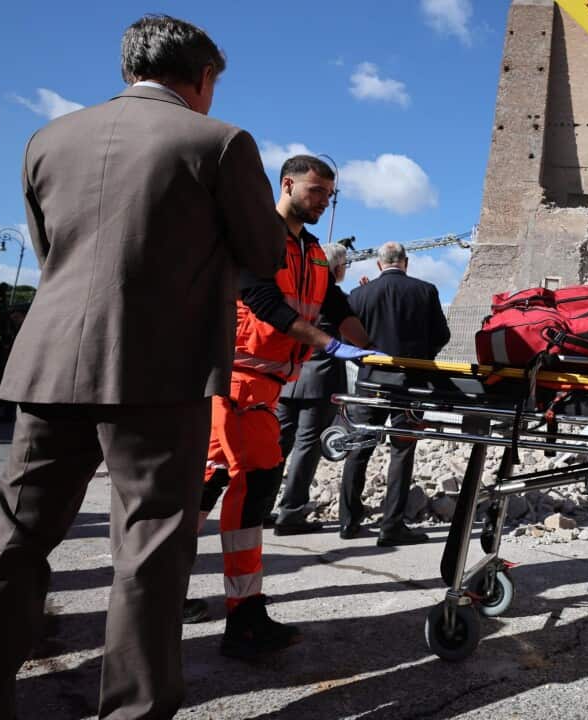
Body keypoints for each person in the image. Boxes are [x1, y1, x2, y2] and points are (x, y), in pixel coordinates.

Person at [0, 15, 286, 720]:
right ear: (204, 77)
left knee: (14, 536)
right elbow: (265, 250)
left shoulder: (48, 138)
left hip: (49, 364)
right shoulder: (219, 142)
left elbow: (49, 255)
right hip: (158, 372)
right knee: (151, 547)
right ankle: (134, 711)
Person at [192, 155, 372, 656]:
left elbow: (336, 307)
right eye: (316, 191)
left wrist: (375, 353)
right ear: (287, 184)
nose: (323, 202)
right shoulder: (255, 237)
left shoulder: (313, 252)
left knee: (207, 486)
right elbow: (267, 305)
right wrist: (330, 345)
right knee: (257, 483)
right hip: (235, 384)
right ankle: (243, 617)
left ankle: (161, 587)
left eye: (329, 194)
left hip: (263, 390)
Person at [339, 242, 450, 544]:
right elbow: (443, 335)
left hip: (371, 382)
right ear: (406, 262)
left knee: (359, 448)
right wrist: (419, 358)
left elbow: (345, 335)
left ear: (378, 264)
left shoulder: (360, 295)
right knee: (402, 451)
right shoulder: (425, 291)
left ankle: (348, 521)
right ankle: (392, 526)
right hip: (410, 384)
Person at [272, 242, 369, 535]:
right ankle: (291, 514)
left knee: (277, 443)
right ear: (337, 268)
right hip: (321, 380)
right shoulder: (332, 295)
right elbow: (353, 336)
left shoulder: (298, 287)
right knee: (307, 446)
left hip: (289, 377)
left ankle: (260, 507)